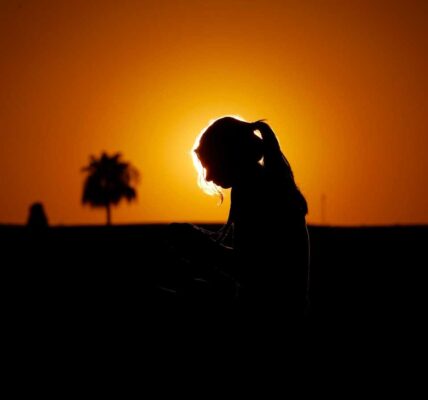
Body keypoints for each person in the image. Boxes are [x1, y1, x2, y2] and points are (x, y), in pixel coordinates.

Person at [169, 116, 310, 327]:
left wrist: (200, 245)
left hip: (275, 318)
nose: (207, 178)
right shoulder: (263, 184)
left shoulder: (255, 191)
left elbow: (256, 272)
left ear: (229, 156)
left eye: (210, 165)